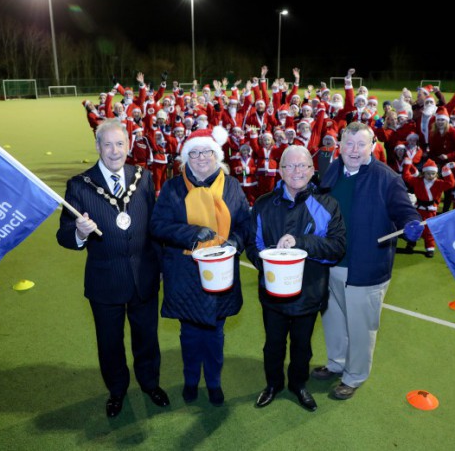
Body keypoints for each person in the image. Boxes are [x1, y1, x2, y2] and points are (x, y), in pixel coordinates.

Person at [56, 119, 169, 418]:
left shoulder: (143, 178)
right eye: (108, 144)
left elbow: (155, 227)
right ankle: (117, 390)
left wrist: (159, 266)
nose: (115, 150)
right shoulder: (79, 185)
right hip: (105, 282)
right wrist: (79, 232)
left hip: (143, 277)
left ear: (129, 145)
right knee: (110, 343)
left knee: (147, 338)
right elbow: (63, 234)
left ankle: (150, 383)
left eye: (120, 143)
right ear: (97, 146)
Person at [312, 121, 423, 400]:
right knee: (333, 320)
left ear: (372, 145)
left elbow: (406, 212)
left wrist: (412, 224)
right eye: (348, 143)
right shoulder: (331, 170)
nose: (354, 150)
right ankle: (337, 363)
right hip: (331, 265)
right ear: (338, 145)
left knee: (361, 328)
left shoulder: (387, 178)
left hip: (365, 270)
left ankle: (354, 375)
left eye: (361, 144)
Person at [150, 126, 252, 406]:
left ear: (216, 154)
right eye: (193, 153)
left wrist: (235, 242)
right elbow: (157, 226)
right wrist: (192, 233)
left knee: (216, 333)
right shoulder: (172, 187)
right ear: (186, 158)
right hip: (185, 273)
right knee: (190, 334)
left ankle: (215, 382)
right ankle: (191, 380)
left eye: (206, 151)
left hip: (220, 272)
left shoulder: (231, 186)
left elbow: (246, 224)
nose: (200, 158)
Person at [246, 145, 346, 412]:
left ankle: (298, 385)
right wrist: (269, 264)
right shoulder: (263, 204)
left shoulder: (327, 204)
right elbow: (252, 245)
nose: (296, 171)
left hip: (309, 292)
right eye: (289, 166)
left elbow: (337, 248)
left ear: (312, 171)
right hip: (272, 293)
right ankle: (273, 384)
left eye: (302, 166)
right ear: (280, 171)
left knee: (302, 345)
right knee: (273, 344)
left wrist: (301, 243)